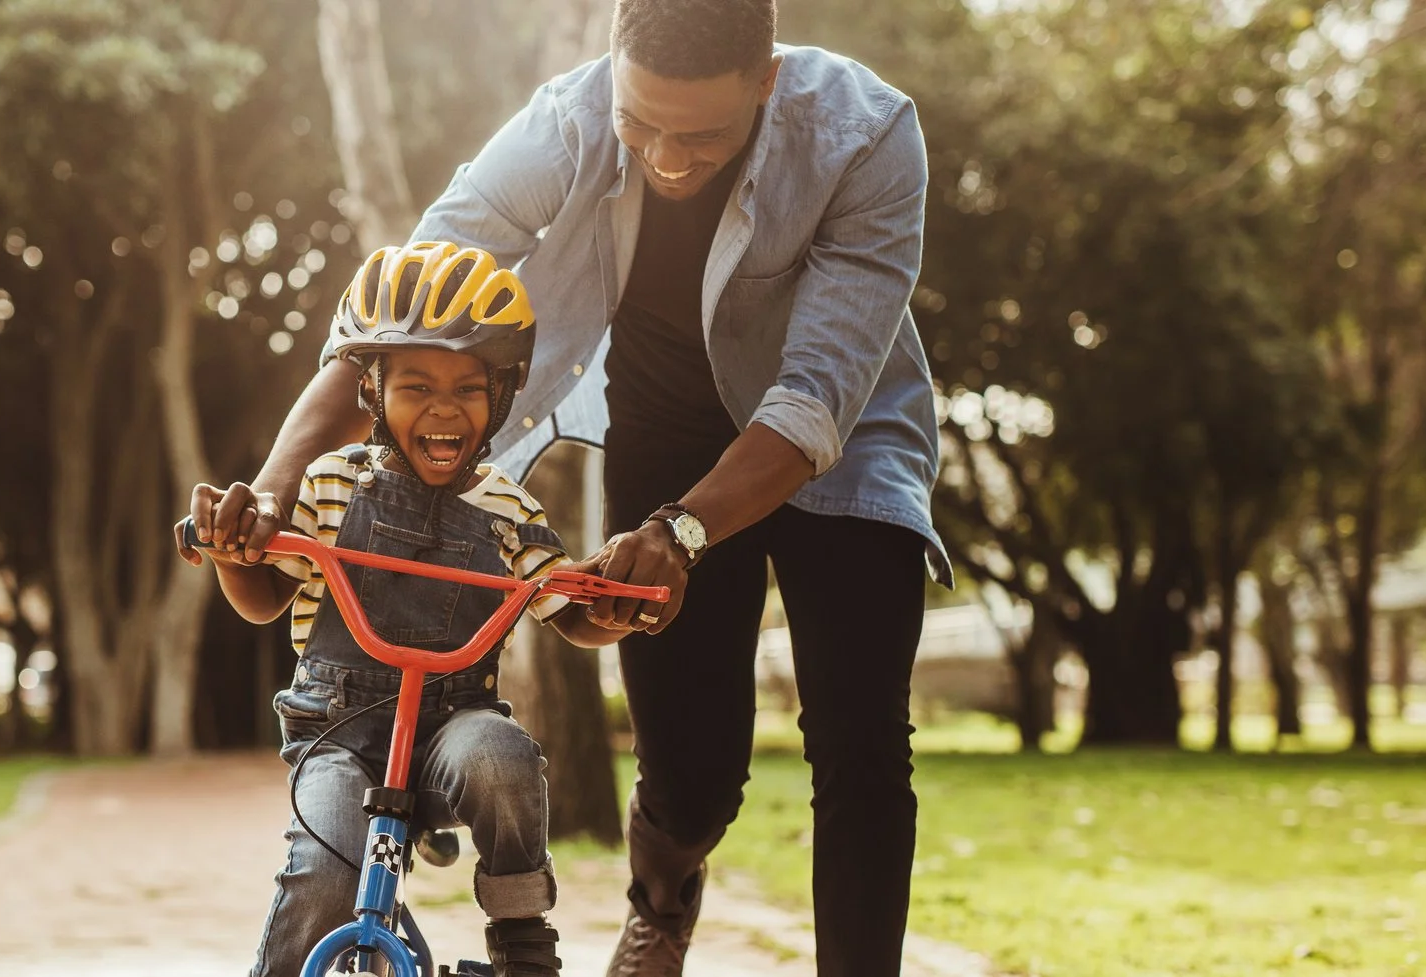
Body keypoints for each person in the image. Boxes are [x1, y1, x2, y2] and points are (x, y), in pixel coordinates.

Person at [228, 2, 952, 974]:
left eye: (700, 134)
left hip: (846, 435)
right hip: (664, 430)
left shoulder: (865, 133)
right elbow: (400, 310)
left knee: (862, 739)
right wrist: (274, 487)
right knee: (692, 777)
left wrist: (685, 531)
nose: (665, 157)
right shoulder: (564, 123)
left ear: (767, 81)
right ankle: (664, 897)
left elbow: (815, 397)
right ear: (613, 70)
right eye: (640, 122)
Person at [185, 241, 627, 977]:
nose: (444, 409)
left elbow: (564, 604)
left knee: (504, 756)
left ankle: (523, 940)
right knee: (324, 874)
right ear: (371, 390)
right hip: (341, 732)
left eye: (469, 388)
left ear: (505, 392)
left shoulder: (507, 509)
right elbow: (264, 598)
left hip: (451, 729)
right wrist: (235, 553)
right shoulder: (331, 484)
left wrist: (606, 606)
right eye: (416, 385)